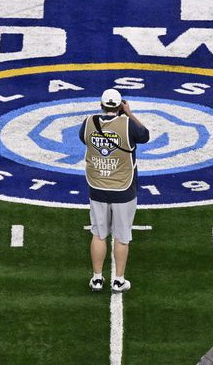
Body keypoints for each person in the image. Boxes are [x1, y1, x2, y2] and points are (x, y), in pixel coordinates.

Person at [80, 88, 151, 293]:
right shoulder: (128, 125)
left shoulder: (88, 122)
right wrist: (128, 113)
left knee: (99, 233)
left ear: (101, 104)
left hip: (98, 185)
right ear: (120, 105)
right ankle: (118, 280)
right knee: (121, 236)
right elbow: (144, 135)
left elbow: (83, 139)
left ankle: (97, 278)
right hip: (123, 187)